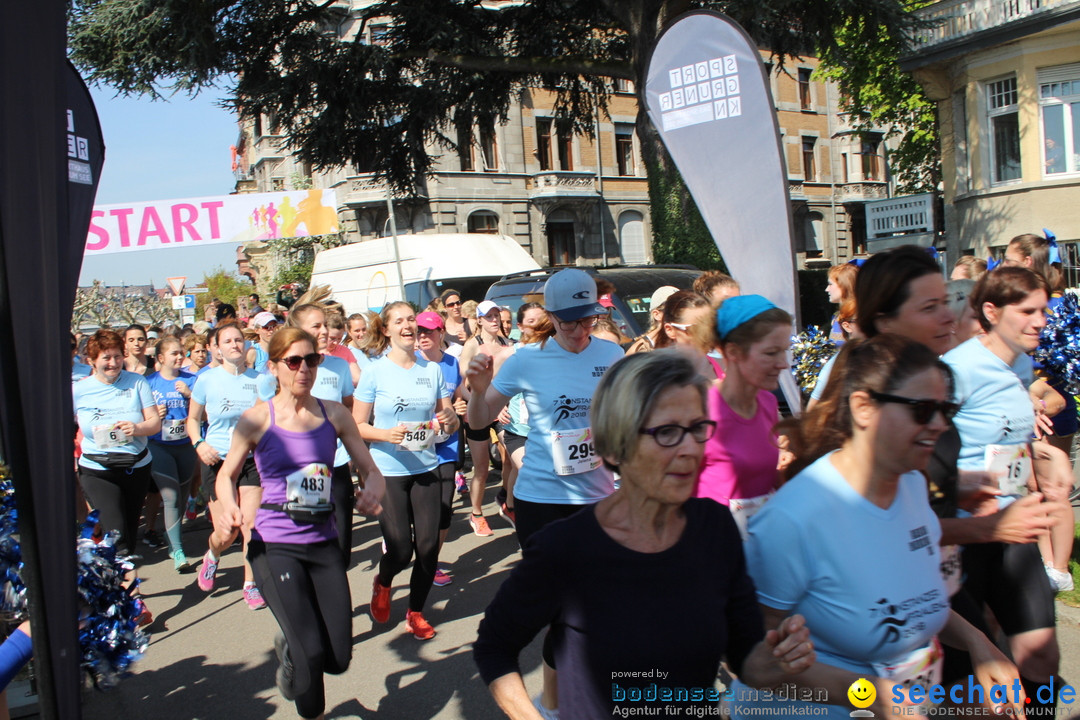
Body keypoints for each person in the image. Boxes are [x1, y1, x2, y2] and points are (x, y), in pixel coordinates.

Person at [475, 350, 816, 718]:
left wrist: (779, 658)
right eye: (667, 431)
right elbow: (494, 647)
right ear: (615, 445)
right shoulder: (566, 548)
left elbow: (746, 656)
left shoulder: (714, 527)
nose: (690, 449)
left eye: (698, 427)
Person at [738, 334, 1023, 718]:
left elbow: (910, 598)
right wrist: (870, 695)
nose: (939, 425)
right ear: (863, 408)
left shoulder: (910, 484)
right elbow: (756, 664)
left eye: (946, 409)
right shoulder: (794, 519)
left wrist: (979, 644)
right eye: (923, 410)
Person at [854, 246, 1064, 713]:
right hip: (895, 595)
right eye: (930, 307)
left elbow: (920, 491)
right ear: (885, 319)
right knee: (968, 696)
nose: (950, 316)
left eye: (948, 302)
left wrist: (967, 483)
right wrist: (982, 528)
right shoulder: (871, 393)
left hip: (950, 562)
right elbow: (884, 528)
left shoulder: (933, 378)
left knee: (1019, 673)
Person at [467, 268, 625, 717]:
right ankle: (559, 701)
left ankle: (561, 696)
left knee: (587, 607)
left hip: (597, 499)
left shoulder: (612, 355)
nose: (579, 331)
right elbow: (480, 421)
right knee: (563, 606)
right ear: (551, 317)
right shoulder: (524, 360)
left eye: (587, 320)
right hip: (541, 501)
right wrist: (478, 392)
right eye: (569, 322)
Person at [215, 327, 384, 720]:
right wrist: (227, 506)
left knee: (338, 657)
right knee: (311, 653)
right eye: (294, 361)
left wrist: (373, 491)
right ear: (274, 367)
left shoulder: (334, 413)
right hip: (275, 546)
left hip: (323, 542)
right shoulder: (257, 418)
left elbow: (369, 469)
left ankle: (290, 647)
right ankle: (310, 701)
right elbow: (227, 475)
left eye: (312, 359)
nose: (304, 368)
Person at [943, 267, 1074, 591]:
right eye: (1028, 311)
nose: (1041, 321)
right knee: (985, 635)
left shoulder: (1022, 364)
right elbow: (924, 452)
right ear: (991, 313)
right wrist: (963, 487)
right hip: (967, 526)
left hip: (1015, 520)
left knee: (1039, 641)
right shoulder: (956, 369)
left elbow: (1007, 437)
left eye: (1042, 310)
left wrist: (1043, 455)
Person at [353, 302, 458, 639]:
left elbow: (448, 421)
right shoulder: (374, 372)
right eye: (398, 321)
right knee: (400, 549)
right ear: (385, 330)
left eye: (411, 319)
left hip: (427, 465)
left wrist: (452, 419)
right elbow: (355, 425)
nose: (408, 326)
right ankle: (383, 582)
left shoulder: (432, 371)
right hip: (388, 470)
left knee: (428, 548)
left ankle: (416, 611)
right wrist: (385, 434)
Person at [695, 295, 791, 537]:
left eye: (784, 352)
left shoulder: (768, 402)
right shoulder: (700, 410)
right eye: (771, 353)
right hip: (711, 549)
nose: (783, 364)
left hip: (760, 545)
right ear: (733, 352)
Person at [187, 322, 268, 609]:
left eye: (239, 340)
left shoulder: (261, 380)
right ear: (217, 349)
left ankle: (251, 584)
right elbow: (193, 419)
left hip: (249, 461)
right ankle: (212, 556)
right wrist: (199, 444)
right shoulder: (206, 380)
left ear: (246, 345)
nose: (235, 345)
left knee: (251, 526)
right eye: (228, 341)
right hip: (217, 460)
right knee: (227, 531)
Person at [74, 329, 161, 555]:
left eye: (117, 357)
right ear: (92, 361)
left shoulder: (137, 382)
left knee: (130, 531)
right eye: (106, 358)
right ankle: (128, 588)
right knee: (117, 534)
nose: (113, 363)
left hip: (136, 467)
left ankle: (116, 575)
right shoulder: (79, 390)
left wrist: (137, 428)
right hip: (98, 469)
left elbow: (154, 423)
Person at [285, 303, 358, 567]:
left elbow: (348, 406)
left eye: (325, 324)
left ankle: (334, 601)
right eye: (317, 326)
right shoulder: (285, 367)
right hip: (300, 467)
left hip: (336, 463)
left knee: (341, 546)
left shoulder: (339, 366)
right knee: (309, 542)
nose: (325, 331)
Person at [414, 311, 468, 586]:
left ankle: (430, 562)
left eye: (429, 331)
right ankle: (400, 542)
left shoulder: (451, 363)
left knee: (444, 508)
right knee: (418, 510)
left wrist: (462, 406)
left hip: (446, 445)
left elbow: (460, 397)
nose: (424, 336)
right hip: (417, 446)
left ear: (440, 333)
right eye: (419, 331)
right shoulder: (410, 365)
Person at [458, 300, 513, 537]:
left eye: (496, 315)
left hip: (501, 411)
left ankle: (508, 502)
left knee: (513, 455)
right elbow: (462, 385)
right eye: (488, 316)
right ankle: (477, 513)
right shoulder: (473, 345)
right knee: (481, 468)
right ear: (478, 320)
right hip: (478, 412)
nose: (494, 320)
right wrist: (481, 403)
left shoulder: (507, 344)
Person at [146, 337, 198, 571]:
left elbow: (204, 414)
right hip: (159, 445)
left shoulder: (192, 380)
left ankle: (172, 541)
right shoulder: (149, 383)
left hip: (185, 445)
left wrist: (190, 396)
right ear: (160, 358)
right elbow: (140, 416)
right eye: (174, 354)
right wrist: (154, 414)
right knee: (171, 497)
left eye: (181, 353)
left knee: (183, 492)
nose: (179, 357)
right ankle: (178, 551)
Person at [625, 285, 678, 354]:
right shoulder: (642, 349)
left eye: (683, 306)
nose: (681, 313)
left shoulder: (687, 342)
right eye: (674, 309)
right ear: (657, 315)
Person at [825, 263, 858, 343]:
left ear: (844, 285)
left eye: (830, 284)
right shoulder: (837, 316)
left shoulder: (857, 317)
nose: (827, 289)